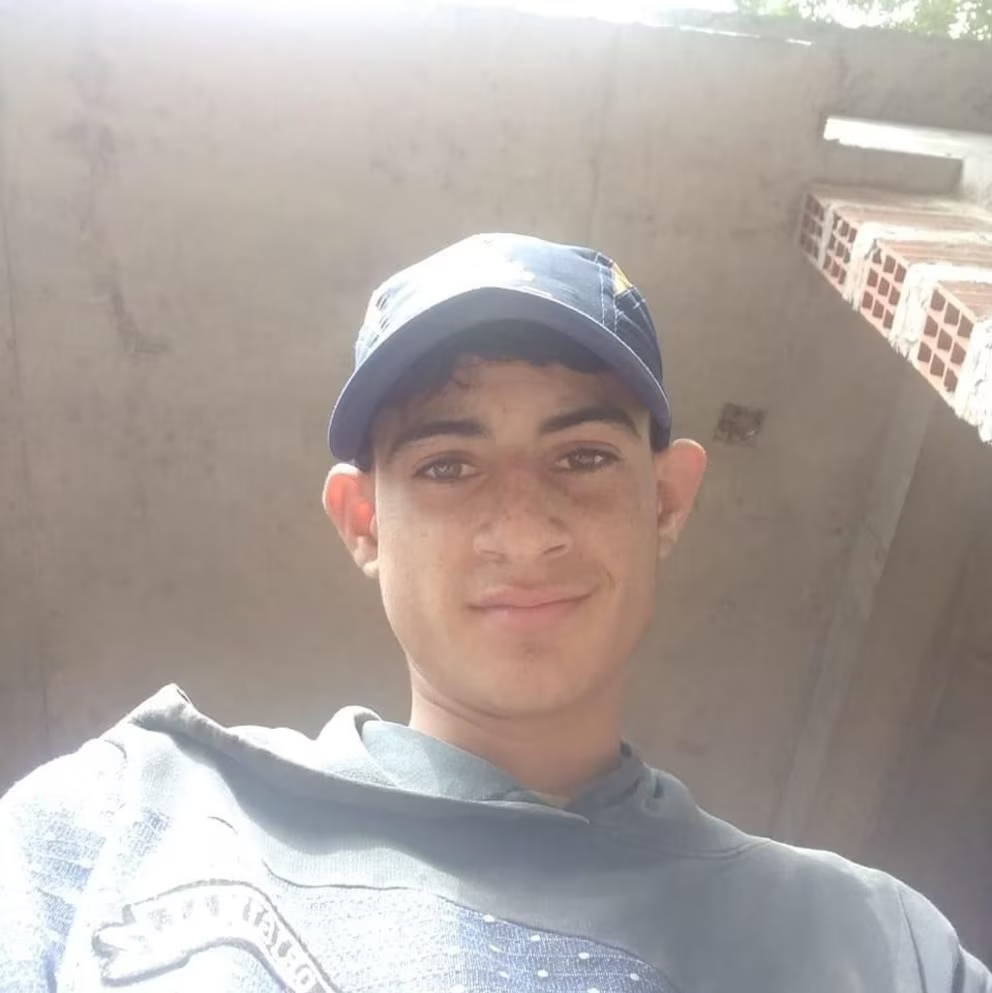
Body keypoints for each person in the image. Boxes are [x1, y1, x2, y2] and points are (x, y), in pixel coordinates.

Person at [0, 233, 988, 993]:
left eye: (583, 456)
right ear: (362, 522)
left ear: (665, 501)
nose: (522, 530)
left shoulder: (877, 945)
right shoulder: (130, 813)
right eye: (446, 466)